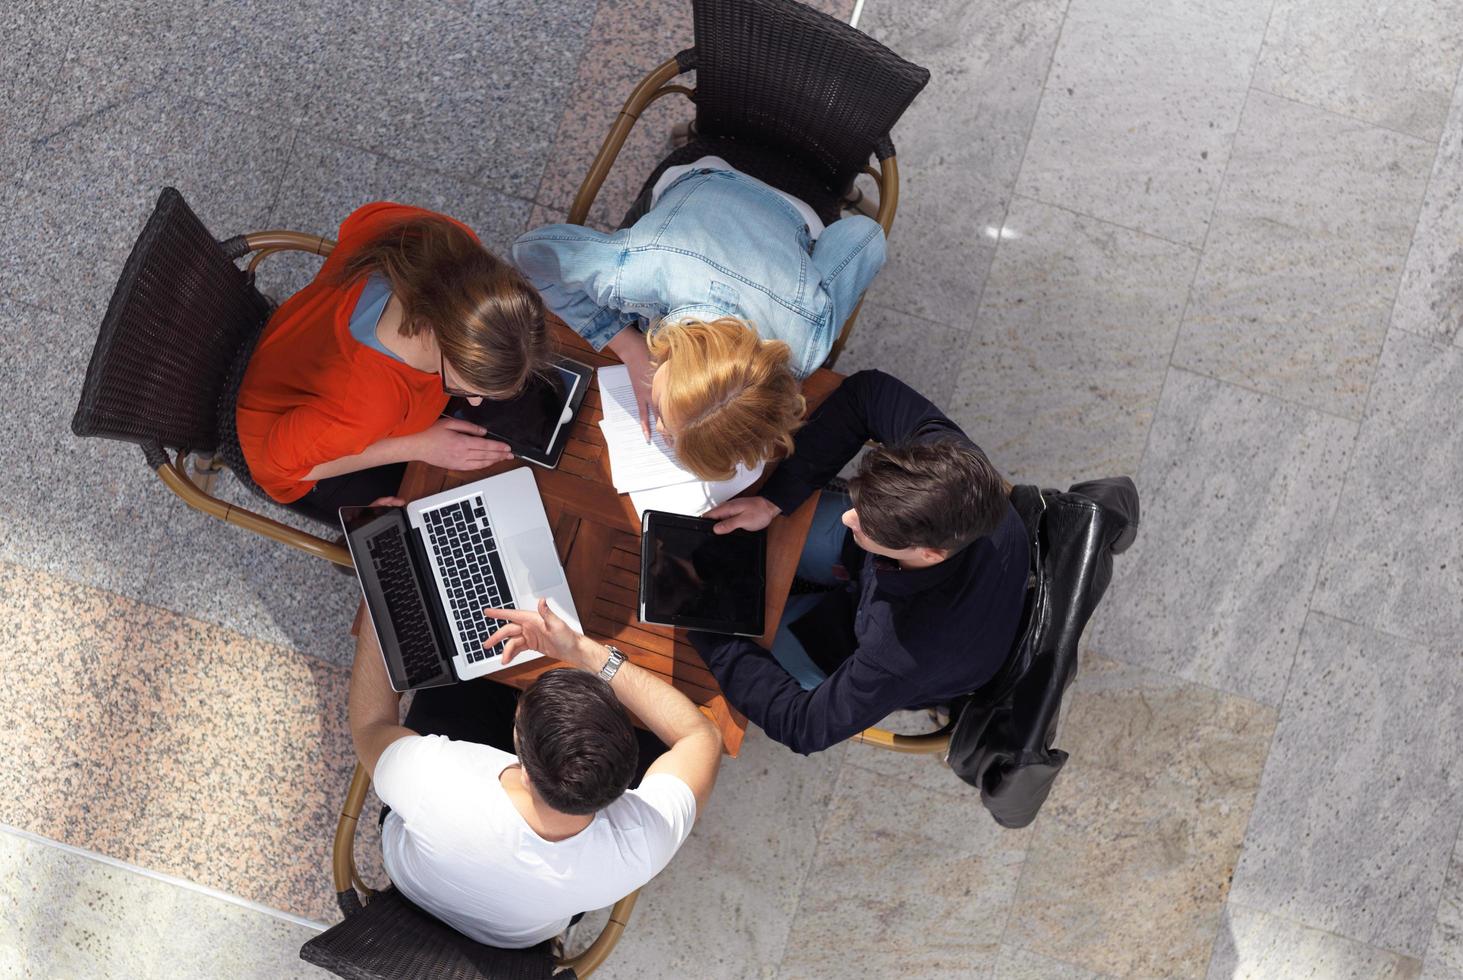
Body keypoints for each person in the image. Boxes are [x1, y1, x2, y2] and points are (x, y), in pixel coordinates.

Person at [688, 370, 1030, 755]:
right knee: (733, 536)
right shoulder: (950, 468)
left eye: (871, 526)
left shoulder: (901, 653)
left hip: (866, 637)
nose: (849, 518)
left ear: (929, 553)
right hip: (887, 578)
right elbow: (867, 393)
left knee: (719, 646)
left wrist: (704, 626)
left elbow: (804, 726)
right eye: (860, 504)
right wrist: (774, 501)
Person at [348, 598, 722, 949]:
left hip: (422, 868)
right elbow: (700, 735)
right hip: (518, 933)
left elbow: (370, 726)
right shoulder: (640, 842)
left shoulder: (436, 778)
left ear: (518, 754)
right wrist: (585, 653)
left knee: (473, 668)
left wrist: (379, 603)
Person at [510, 158, 886, 480]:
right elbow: (529, 253)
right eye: (667, 426)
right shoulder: (634, 272)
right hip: (714, 183)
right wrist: (627, 345)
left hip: (763, 204)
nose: (657, 427)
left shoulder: (802, 346)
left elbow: (865, 233)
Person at [236, 202, 549, 522]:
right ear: (443, 340)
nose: (474, 399)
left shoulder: (446, 240)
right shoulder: (364, 404)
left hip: (295, 346)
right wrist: (417, 447)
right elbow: (274, 466)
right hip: (295, 451)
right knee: (425, 530)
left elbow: (361, 220)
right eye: (465, 385)